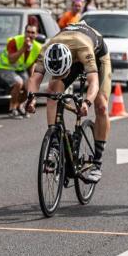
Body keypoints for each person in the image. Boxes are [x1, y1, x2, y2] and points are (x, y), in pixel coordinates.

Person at [25, 21, 111, 183]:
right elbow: (35, 79)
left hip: (96, 55)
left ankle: (97, 163)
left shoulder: (84, 48)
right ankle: (55, 143)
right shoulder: (46, 49)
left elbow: (93, 82)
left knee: (101, 105)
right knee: (53, 90)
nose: (61, 76)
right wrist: (31, 99)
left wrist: (87, 103)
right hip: (68, 53)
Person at [0, 20, 41, 119]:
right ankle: (12, 109)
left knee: (28, 86)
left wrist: (32, 79)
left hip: (20, 69)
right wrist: (23, 48)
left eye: (32, 32)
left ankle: (20, 106)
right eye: (28, 32)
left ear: (36, 34)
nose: (30, 35)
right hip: (5, 67)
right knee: (18, 83)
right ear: (24, 32)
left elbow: (32, 64)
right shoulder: (14, 41)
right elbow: (11, 60)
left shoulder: (38, 47)